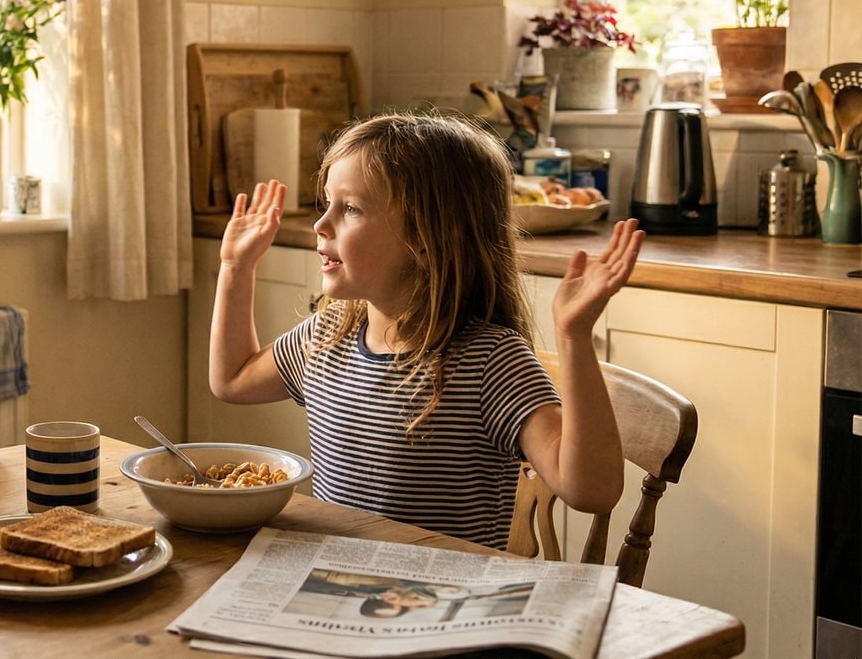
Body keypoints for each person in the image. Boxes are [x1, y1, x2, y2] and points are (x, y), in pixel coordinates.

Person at [209, 113, 642, 548]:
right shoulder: (326, 337)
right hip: (339, 586)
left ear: (425, 236)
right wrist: (235, 267)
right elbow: (232, 379)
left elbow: (592, 491)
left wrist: (573, 335)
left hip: (445, 603)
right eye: (327, 204)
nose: (321, 225)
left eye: (351, 209)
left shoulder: (488, 362)